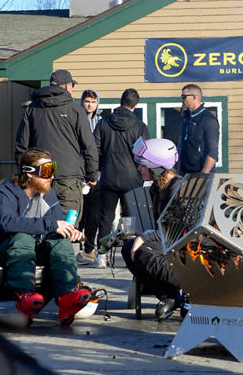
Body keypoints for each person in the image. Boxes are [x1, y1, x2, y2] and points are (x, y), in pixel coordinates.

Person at [0, 148, 91, 326]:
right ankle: (25, 295)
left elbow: (55, 225)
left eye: (53, 170)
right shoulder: (5, 193)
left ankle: (67, 296)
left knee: (59, 241)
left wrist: (70, 231)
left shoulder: (49, 194)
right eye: (46, 172)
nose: (51, 177)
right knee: (22, 237)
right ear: (29, 173)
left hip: (29, 252)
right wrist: (53, 225)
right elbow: (7, 223)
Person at [15, 69, 99, 221]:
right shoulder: (75, 109)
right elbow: (89, 146)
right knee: (69, 223)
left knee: (40, 221)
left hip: (41, 173)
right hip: (68, 174)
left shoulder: (33, 109)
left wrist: (24, 173)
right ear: (67, 86)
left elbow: (22, 146)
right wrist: (92, 174)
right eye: (72, 85)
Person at [121, 136, 188, 321]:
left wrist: (143, 239)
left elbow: (175, 229)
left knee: (143, 252)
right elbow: (159, 226)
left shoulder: (177, 188)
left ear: (158, 167)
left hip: (183, 244)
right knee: (128, 248)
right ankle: (169, 296)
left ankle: (191, 287)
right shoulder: (157, 188)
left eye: (143, 165)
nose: (139, 169)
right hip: (168, 241)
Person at [93, 88, 149, 268]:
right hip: (132, 178)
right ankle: (129, 254)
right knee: (130, 218)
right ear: (136, 105)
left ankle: (101, 255)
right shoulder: (140, 126)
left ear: (120, 100)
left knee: (106, 218)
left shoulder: (103, 123)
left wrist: (97, 169)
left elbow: (95, 149)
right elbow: (143, 154)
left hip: (109, 176)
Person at [76, 89, 102, 264]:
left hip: (95, 173)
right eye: (87, 101)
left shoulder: (100, 122)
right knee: (78, 212)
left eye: (93, 101)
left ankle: (89, 248)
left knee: (93, 213)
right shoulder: (76, 118)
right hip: (78, 171)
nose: (90, 104)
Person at [178, 84, 219, 175]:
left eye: (184, 96)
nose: (181, 99)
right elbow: (181, 146)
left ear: (194, 97)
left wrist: (203, 175)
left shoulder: (208, 120)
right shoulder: (186, 118)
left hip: (200, 173)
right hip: (184, 173)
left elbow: (212, 153)